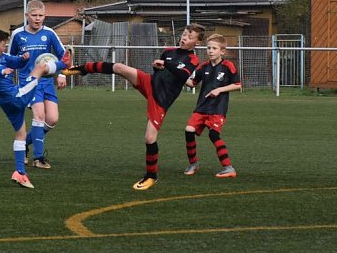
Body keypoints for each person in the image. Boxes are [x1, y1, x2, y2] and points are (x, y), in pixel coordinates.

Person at [66, 23, 205, 190]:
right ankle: (80, 69)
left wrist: (165, 65)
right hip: (150, 83)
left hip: (161, 99)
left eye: (190, 37)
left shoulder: (193, 59)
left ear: (197, 43)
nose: (184, 38)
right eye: (184, 34)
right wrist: (157, 67)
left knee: (149, 138)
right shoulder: (169, 51)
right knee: (119, 67)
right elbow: (160, 72)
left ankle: (151, 177)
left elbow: (182, 75)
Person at [0, 27, 53, 190]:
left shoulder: (3, 57)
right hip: (15, 97)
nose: (5, 48)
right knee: (40, 68)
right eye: (3, 45)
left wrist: (23, 59)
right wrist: (2, 73)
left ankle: (20, 173)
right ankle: (66, 66)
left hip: (8, 101)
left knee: (21, 134)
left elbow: (17, 62)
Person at [9, 0, 69, 169]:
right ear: (27, 16)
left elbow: (65, 56)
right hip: (28, 82)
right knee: (39, 116)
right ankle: (39, 158)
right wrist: (9, 79)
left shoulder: (49, 33)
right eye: (34, 15)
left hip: (47, 82)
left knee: (52, 119)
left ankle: (24, 144)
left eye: (41, 15)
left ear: (45, 16)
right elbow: (10, 60)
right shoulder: (18, 35)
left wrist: (62, 74)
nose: (37, 19)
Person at [183, 34, 242, 179]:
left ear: (222, 51)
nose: (210, 51)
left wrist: (219, 90)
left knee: (213, 134)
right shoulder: (204, 66)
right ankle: (193, 164)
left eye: (214, 48)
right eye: (208, 48)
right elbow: (192, 83)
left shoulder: (228, 66)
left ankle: (228, 167)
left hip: (217, 108)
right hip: (202, 107)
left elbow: (238, 85)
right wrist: (178, 75)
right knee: (189, 130)